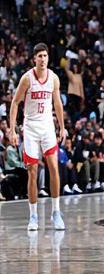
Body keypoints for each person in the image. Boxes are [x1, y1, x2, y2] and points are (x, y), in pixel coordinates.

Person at [8, 42, 66, 230]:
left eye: (45, 56)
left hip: (47, 126)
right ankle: (33, 215)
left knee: (54, 168)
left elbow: (57, 104)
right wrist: (12, 129)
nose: (43, 59)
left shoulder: (54, 78)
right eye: (39, 56)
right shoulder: (27, 79)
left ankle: (56, 212)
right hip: (31, 127)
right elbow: (15, 103)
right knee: (32, 171)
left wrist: (62, 127)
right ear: (34, 59)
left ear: (48, 58)